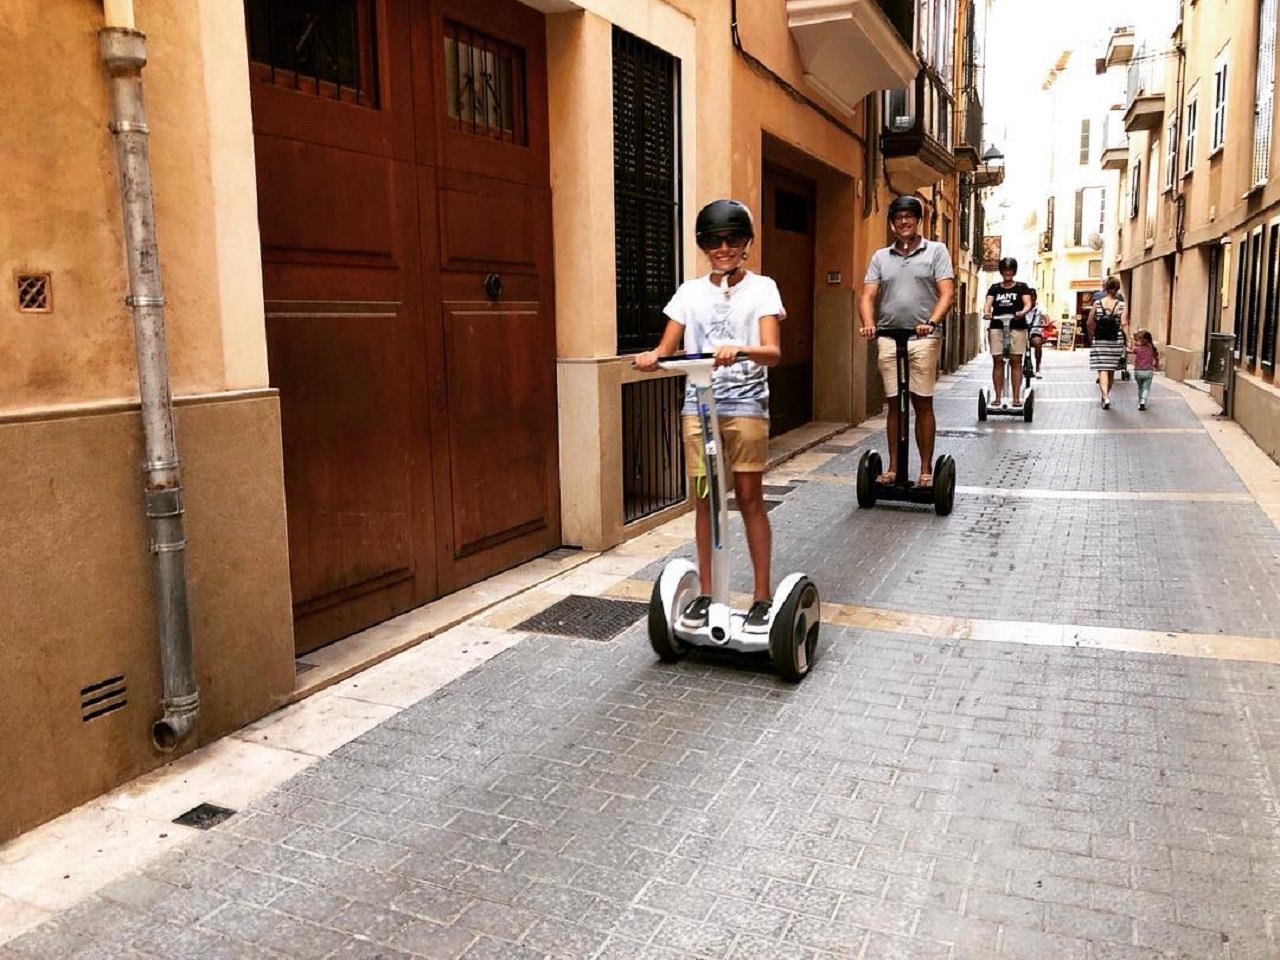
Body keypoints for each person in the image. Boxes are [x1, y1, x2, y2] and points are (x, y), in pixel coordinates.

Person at [635, 199, 783, 633]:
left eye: (732, 239)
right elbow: (667, 346)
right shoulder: (689, 292)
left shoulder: (763, 288)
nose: (723, 248)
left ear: (746, 243)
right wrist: (652, 356)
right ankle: (706, 593)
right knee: (704, 501)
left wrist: (741, 348)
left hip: (746, 405)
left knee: (749, 499)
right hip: (699, 407)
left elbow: (773, 351)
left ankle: (761, 596)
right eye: (714, 241)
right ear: (703, 245)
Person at [858, 195, 955, 487]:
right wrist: (869, 324)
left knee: (921, 402)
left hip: (922, 337)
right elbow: (867, 295)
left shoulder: (936, 251)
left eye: (909, 216)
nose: (904, 221)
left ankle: (926, 469)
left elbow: (947, 293)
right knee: (894, 404)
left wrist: (932, 323)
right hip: (888, 336)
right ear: (892, 223)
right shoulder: (880, 257)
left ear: (918, 220)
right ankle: (893, 468)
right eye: (898, 217)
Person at [982, 258, 1031, 407]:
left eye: (1010, 270)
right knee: (997, 361)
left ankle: (1016, 398)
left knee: (1016, 361)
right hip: (997, 326)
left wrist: (1022, 312)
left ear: (1014, 271)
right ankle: (997, 397)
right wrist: (986, 312)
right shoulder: (995, 288)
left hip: (1017, 326)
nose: (1007, 273)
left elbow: (1028, 303)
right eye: (1005, 270)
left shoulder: (1022, 287)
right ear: (1001, 272)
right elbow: (988, 303)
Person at [1087, 276, 1128, 408]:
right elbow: (1123, 324)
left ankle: (1105, 396)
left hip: (1100, 340)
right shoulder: (1121, 305)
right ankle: (1106, 396)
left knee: (1103, 369)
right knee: (1111, 370)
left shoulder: (1097, 303)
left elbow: (1089, 322)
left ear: (1105, 287)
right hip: (1115, 340)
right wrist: (1129, 339)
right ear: (1117, 288)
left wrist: (1092, 336)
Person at [1129, 329, 1159, 411]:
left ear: (1143, 341)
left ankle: (1140, 401)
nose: (1136, 342)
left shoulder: (1137, 349)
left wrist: (1131, 343)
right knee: (1146, 388)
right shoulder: (1151, 348)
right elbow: (1156, 357)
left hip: (1138, 371)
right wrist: (1156, 364)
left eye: (1137, 340)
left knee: (1140, 388)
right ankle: (1143, 401)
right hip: (1148, 371)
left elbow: (1131, 350)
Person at [1026, 287, 1046, 377]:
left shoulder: (1040, 307)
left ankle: (1038, 368)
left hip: (1035, 331)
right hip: (1024, 331)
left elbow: (1046, 318)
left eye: (1033, 299)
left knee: (1038, 343)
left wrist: (1046, 323)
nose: (1032, 302)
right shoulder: (1023, 306)